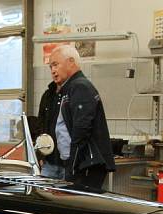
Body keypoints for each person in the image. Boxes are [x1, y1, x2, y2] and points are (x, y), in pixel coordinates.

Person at [48, 45, 115, 189]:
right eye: (50, 67)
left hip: (85, 165)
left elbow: (81, 129)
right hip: (79, 163)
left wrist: (72, 166)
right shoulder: (69, 88)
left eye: (55, 64)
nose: (53, 71)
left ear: (71, 62)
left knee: (78, 205)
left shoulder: (80, 87)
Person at [36, 80, 64, 179]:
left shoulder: (73, 94)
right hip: (49, 160)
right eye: (52, 66)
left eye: (56, 65)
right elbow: (40, 126)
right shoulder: (47, 95)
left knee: (66, 193)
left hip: (67, 163)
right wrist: (40, 155)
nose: (54, 70)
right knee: (43, 192)